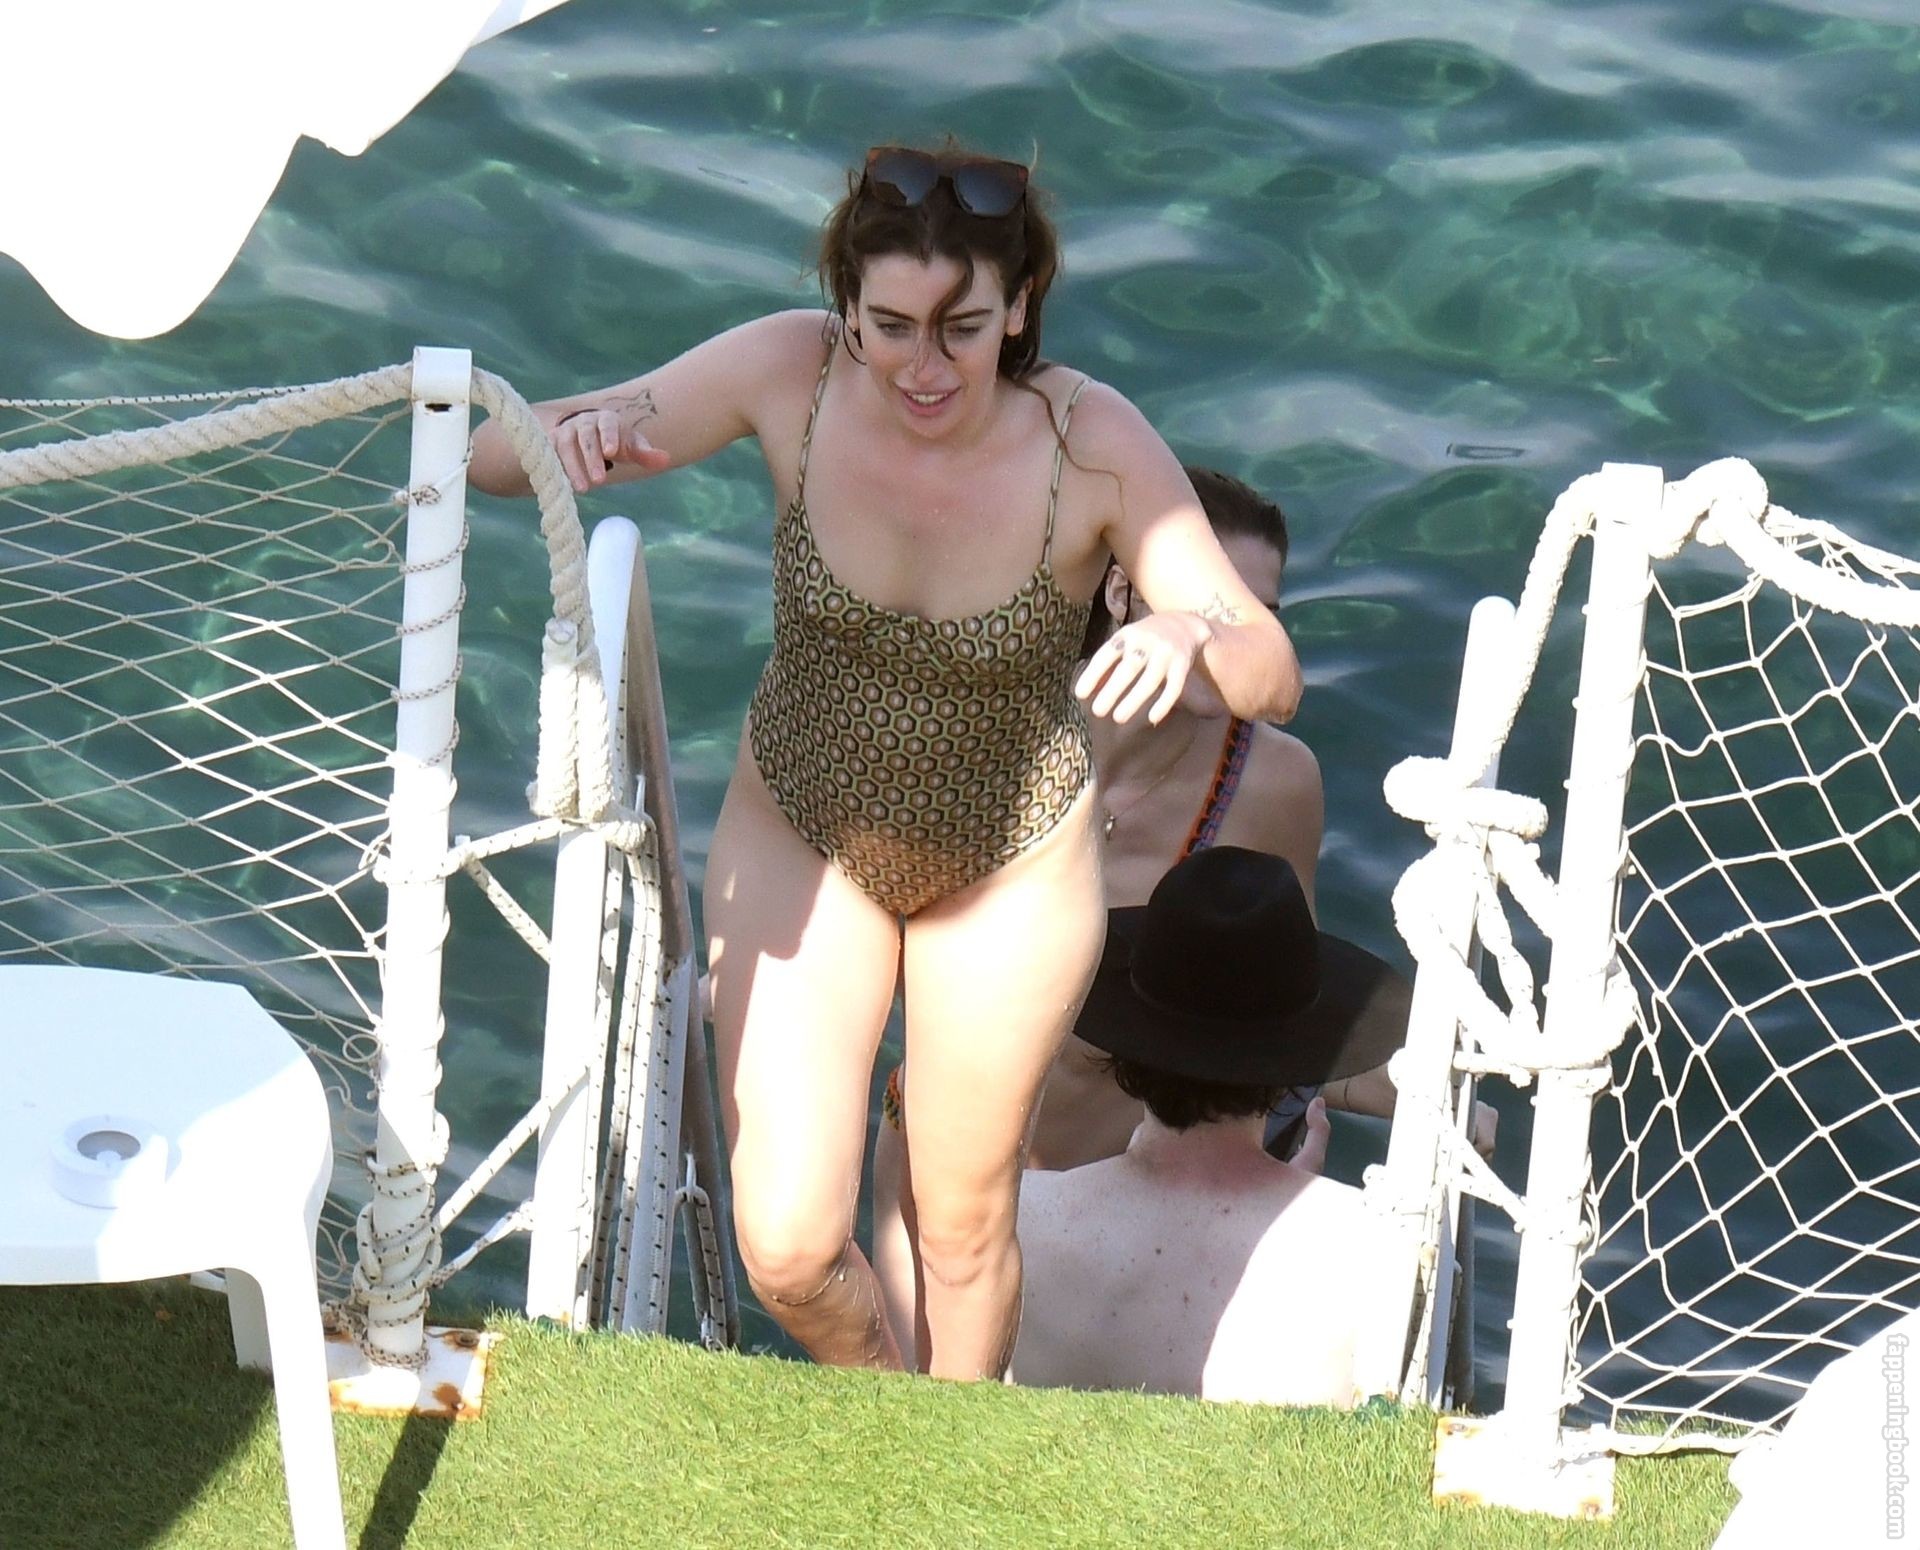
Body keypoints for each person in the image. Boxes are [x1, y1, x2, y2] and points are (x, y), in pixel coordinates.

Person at [468, 144, 1301, 1378]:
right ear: (846, 306)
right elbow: (498, 459)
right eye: (892, 326)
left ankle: (941, 1456)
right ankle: (889, 1404)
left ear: (1018, 306)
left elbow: (1271, 668)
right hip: (805, 827)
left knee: (959, 1230)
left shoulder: (1091, 439)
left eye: (962, 329)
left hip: (1010, 863)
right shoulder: (788, 372)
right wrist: (574, 441)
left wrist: (1190, 632)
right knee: (788, 1247)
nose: (925, 367)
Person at [1008, 844, 1402, 1405]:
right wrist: (1300, 1201)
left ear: (1126, 1043)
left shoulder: (1020, 1219)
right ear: (1298, 1058)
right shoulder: (1374, 1246)